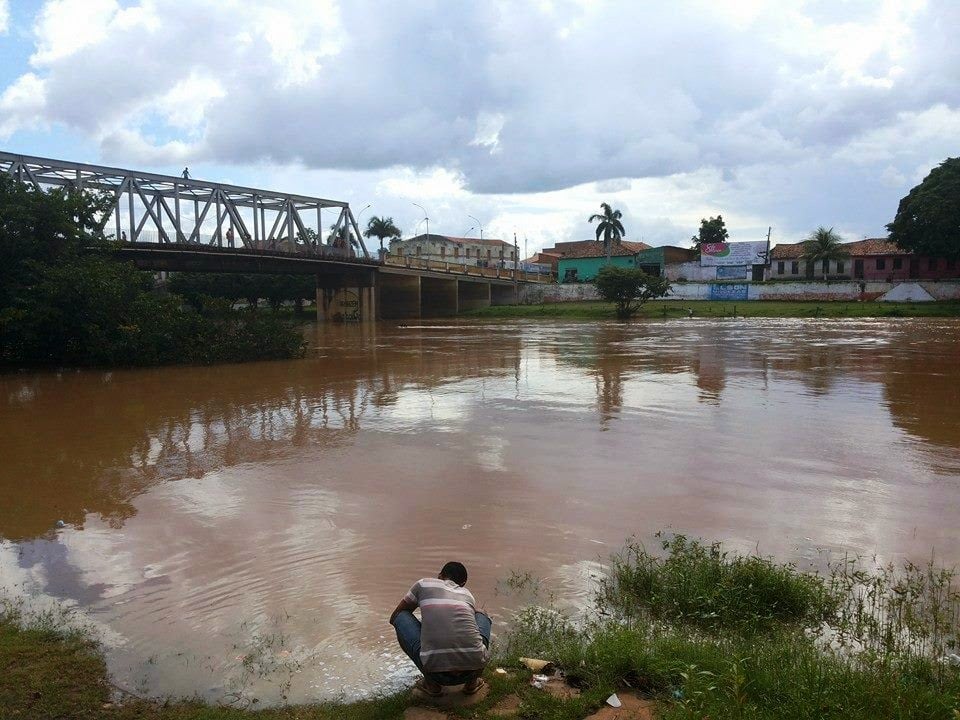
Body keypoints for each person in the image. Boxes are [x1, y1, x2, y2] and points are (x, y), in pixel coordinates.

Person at [390, 561, 491, 697]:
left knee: (401, 616)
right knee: (481, 613)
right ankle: (472, 684)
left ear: (439, 576)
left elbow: (396, 615)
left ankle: (432, 685)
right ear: (463, 584)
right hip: (474, 669)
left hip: (436, 673)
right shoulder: (467, 594)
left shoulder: (424, 584)